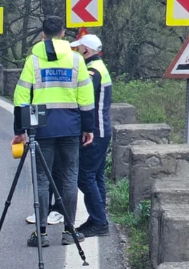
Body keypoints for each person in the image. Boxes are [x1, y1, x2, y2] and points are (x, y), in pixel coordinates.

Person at [12, 16, 95, 247]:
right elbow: (86, 98)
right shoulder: (77, 60)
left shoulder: (33, 60)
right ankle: (69, 232)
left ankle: (41, 234)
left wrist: (20, 129)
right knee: (69, 178)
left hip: (41, 127)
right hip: (70, 126)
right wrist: (88, 127)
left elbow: (21, 96)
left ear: (42, 35)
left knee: (41, 178)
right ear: (63, 33)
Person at [71, 34, 112, 237]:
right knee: (96, 176)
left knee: (84, 176)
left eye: (78, 48)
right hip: (102, 130)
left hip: (95, 131)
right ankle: (97, 217)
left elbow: (83, 98)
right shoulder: (100, 67)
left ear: (86, 50)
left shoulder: (92, 71)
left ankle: (99, 221)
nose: (76, 52)